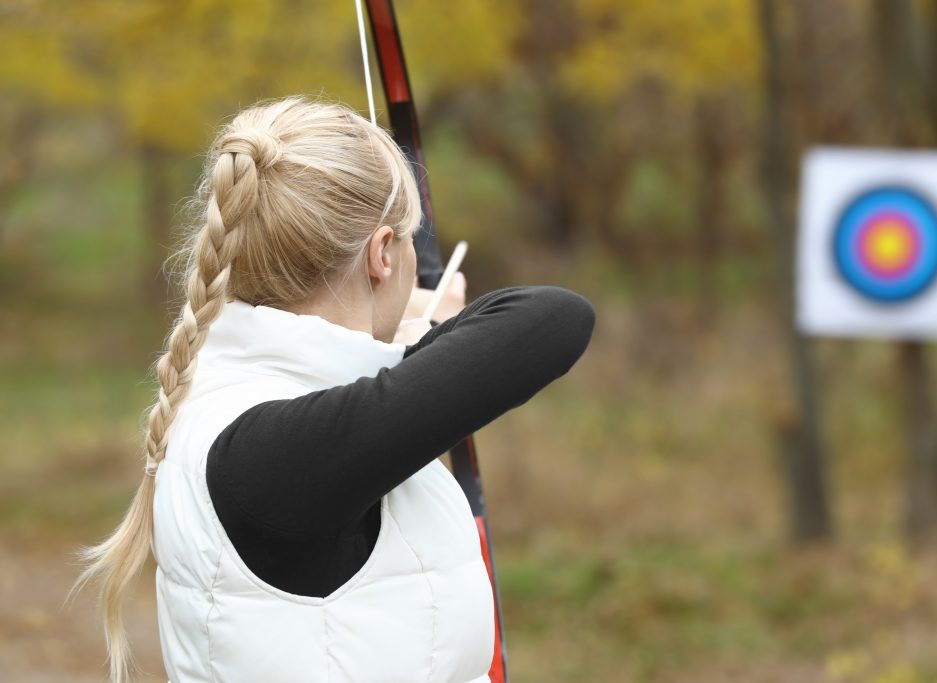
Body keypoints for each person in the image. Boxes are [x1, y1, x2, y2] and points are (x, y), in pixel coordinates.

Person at [73, 95, 595, 683]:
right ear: (380, 255)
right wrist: (417, 346)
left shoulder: (228, 395)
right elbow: (557, 317)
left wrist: (398, 336)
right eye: (406, 243)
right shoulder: (274, 452)